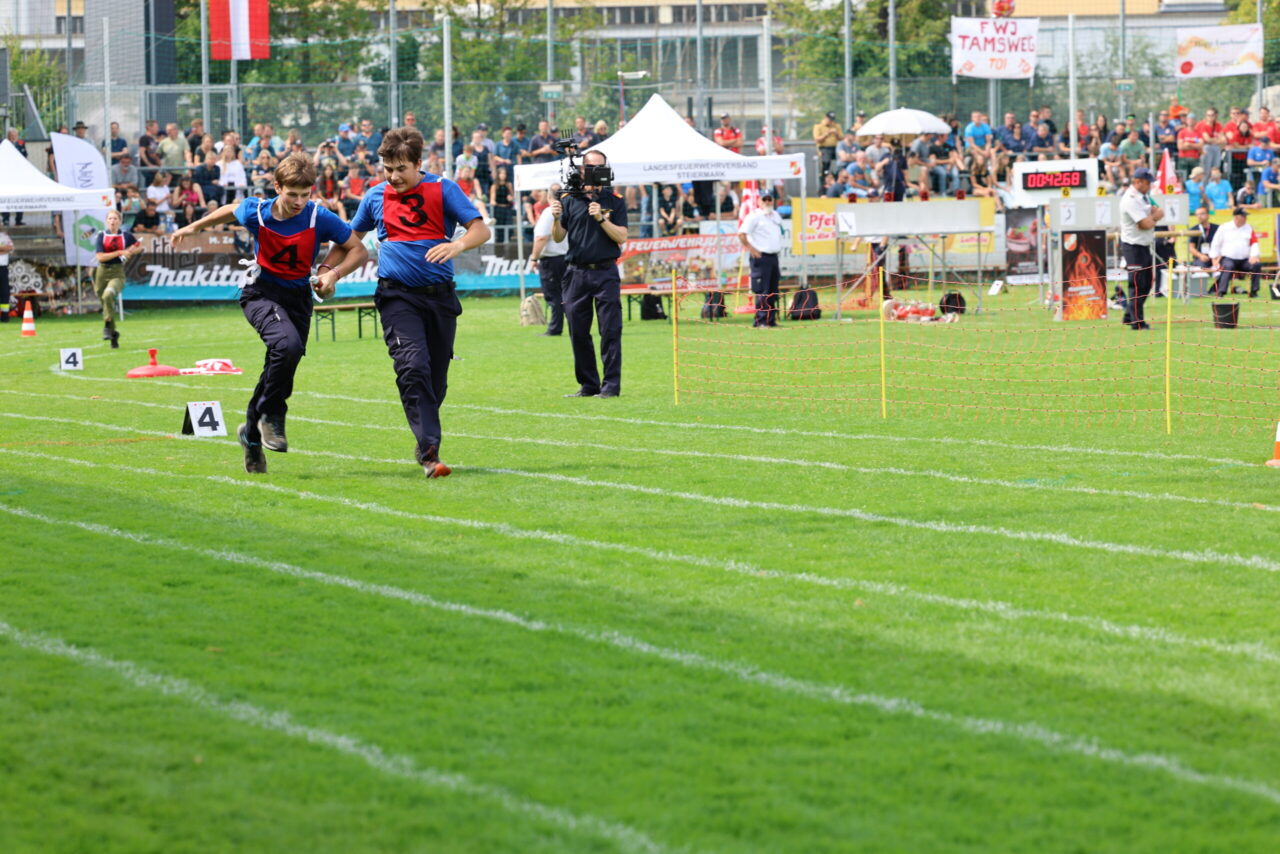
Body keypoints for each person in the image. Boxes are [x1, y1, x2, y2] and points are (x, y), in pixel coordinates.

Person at [171, 155, 366, 471]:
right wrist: (194, 226)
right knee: (287, 346)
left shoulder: (319, 216)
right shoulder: (257, 212)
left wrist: (333, 274)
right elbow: (230, 210)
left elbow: (358, 249)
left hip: (298, 298)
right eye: (292, 194)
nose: (299, 202)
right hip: (261, 293)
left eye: (305, 195)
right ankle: (273, 416)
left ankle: (250, 434)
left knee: (284, 360)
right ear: (277, 187)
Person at [350, 127, 490, 478]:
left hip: (440, 298)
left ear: (417, 164)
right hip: (396, 296)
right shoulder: (374, 196)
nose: (393, 176)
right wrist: (329, 272)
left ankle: (424, 437)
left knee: (436, 380)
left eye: (401, 169)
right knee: (413, 367)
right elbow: (350, 240)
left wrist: (457, 245)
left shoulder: (443, 188)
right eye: (388, 169)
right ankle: (430, 453)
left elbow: (481, 229)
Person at [549, 150, 627, 398]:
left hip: (605, 273)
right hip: (577, 273)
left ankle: (611, 386)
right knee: (578, 331)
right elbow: (558, 237)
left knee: (610, 330)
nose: (594, 171)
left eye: (599, 166)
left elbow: (622, 236)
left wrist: (601, 219)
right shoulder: (570, 199)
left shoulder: (614, 200)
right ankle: (588, 384)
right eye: (589, 166)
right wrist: (556, 218)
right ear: (582, 169)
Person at [1119, 167, 1164, 330]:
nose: (1149, 186)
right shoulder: (1130, 199)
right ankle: (1137, 322)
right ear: (1138, 182)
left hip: (1143, 245)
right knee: (1137, 284)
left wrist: (1153, 217)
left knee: (1147, 282)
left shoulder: (1144, 197)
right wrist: (1154, 217)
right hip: (1133, 246)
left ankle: (1129, 315)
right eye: (1147, 183)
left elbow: (1159, 211)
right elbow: (1145, 224)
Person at [93, 209, 143, 348]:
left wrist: (131, 252)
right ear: (106, 221)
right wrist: (120, 252)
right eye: (110, 218)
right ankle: (113, 333)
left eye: (115, 218)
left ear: (120, 221)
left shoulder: (126, 236)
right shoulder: (101, 236)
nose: (112, 221)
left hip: (117, 272)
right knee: (105, 302)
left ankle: (107, 326)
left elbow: (139, 247)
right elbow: (100, 257)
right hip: (102, 272)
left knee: (108, 295)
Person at [737, 191, 784, 328]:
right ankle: (760, 321)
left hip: (773, 256)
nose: (767, 202)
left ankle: (770, 320)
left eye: (770, 199)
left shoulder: (775, 215)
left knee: (773, 290)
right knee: (763, 290)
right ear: (759, 201)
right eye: (765, 199)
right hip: (761, 257)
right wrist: (751, 249)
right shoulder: (754, 216)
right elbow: (741, 234)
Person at [531, 183, 569, 336]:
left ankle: (555, 328)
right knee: (566, 295)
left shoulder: (549, 212)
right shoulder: (569, 210)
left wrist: (534, 258)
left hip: (552, 259)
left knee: (554, 295)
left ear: (548, 196)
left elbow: (541, 238)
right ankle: (572, 325)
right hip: (566, 258)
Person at [1210, 206, 1263, 297]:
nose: (1245, 218)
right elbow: (1216, 243)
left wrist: (1254, 256)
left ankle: (1254, 291)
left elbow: (1254, 243)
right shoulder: (1224, 227)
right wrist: (1214, 258)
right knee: (1228, 266)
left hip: (1244, 260)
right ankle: (1221, 291)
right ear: (1236, 217)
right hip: (1228, 258)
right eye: (1243, 216)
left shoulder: (1249, 228)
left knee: (1256, 265)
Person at [814, 111, 840, 177]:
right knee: (826, 161)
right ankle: (825, 176)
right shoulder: (818, 126)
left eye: (832, 120)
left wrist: (836, 134)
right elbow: (817, 139)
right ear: (825, 118)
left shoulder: (836, 126)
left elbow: (841, 138)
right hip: (824, 148)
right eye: (829, 119)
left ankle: (838, 175)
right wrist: (827, 133)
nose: (831, 121)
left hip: (835, 147)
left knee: (841, 159)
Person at [0, 228, 11, 323]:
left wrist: (3, 249)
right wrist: (3, 249)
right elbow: (5, 249)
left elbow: (9, 248)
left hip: (3, 268)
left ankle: (5, 316)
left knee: (4, 291)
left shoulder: (5, 236)